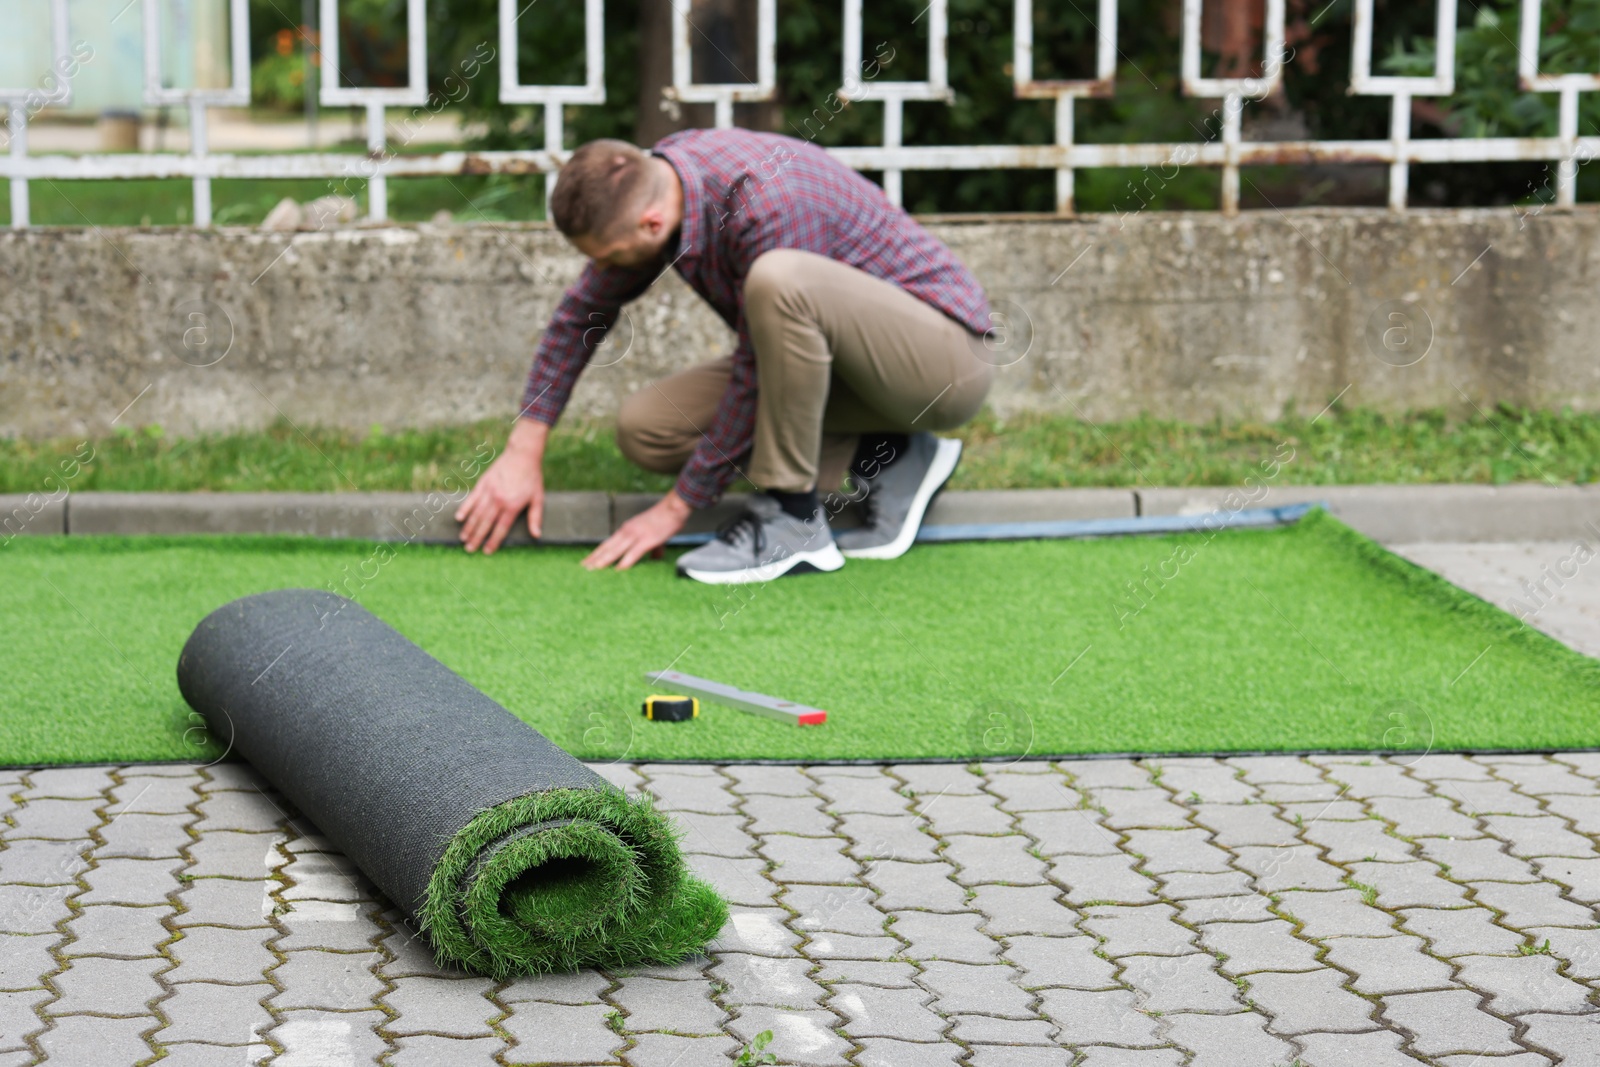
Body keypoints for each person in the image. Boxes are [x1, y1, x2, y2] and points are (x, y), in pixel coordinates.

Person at [454, 126, 995, 583]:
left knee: (779, 278)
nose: (607, 271)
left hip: (945, 366)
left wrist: (676, 509)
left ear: (649, 225)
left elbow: (756, 373)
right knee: (648, 428)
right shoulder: (662, 183)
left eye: (612, 259)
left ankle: (792, 519)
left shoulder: (768, 203)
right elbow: (581, 315)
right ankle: (893, 456)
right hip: (847, 370)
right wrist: (523, 450)